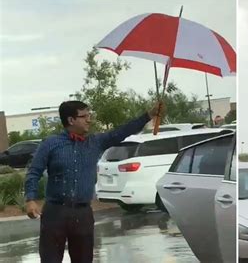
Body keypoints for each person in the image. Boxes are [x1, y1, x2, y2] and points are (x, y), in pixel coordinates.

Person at [24, 100, 162, 263]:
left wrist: (148, 115)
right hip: (55, 213)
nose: (89, 119)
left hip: (83, 214)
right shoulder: (50, 144)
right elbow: (33, 172)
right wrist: (30, 199)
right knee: (50, 259)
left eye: (90, 115)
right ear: (71, 120)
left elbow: (120, 132)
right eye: (84, 116)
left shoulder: (95, 142)